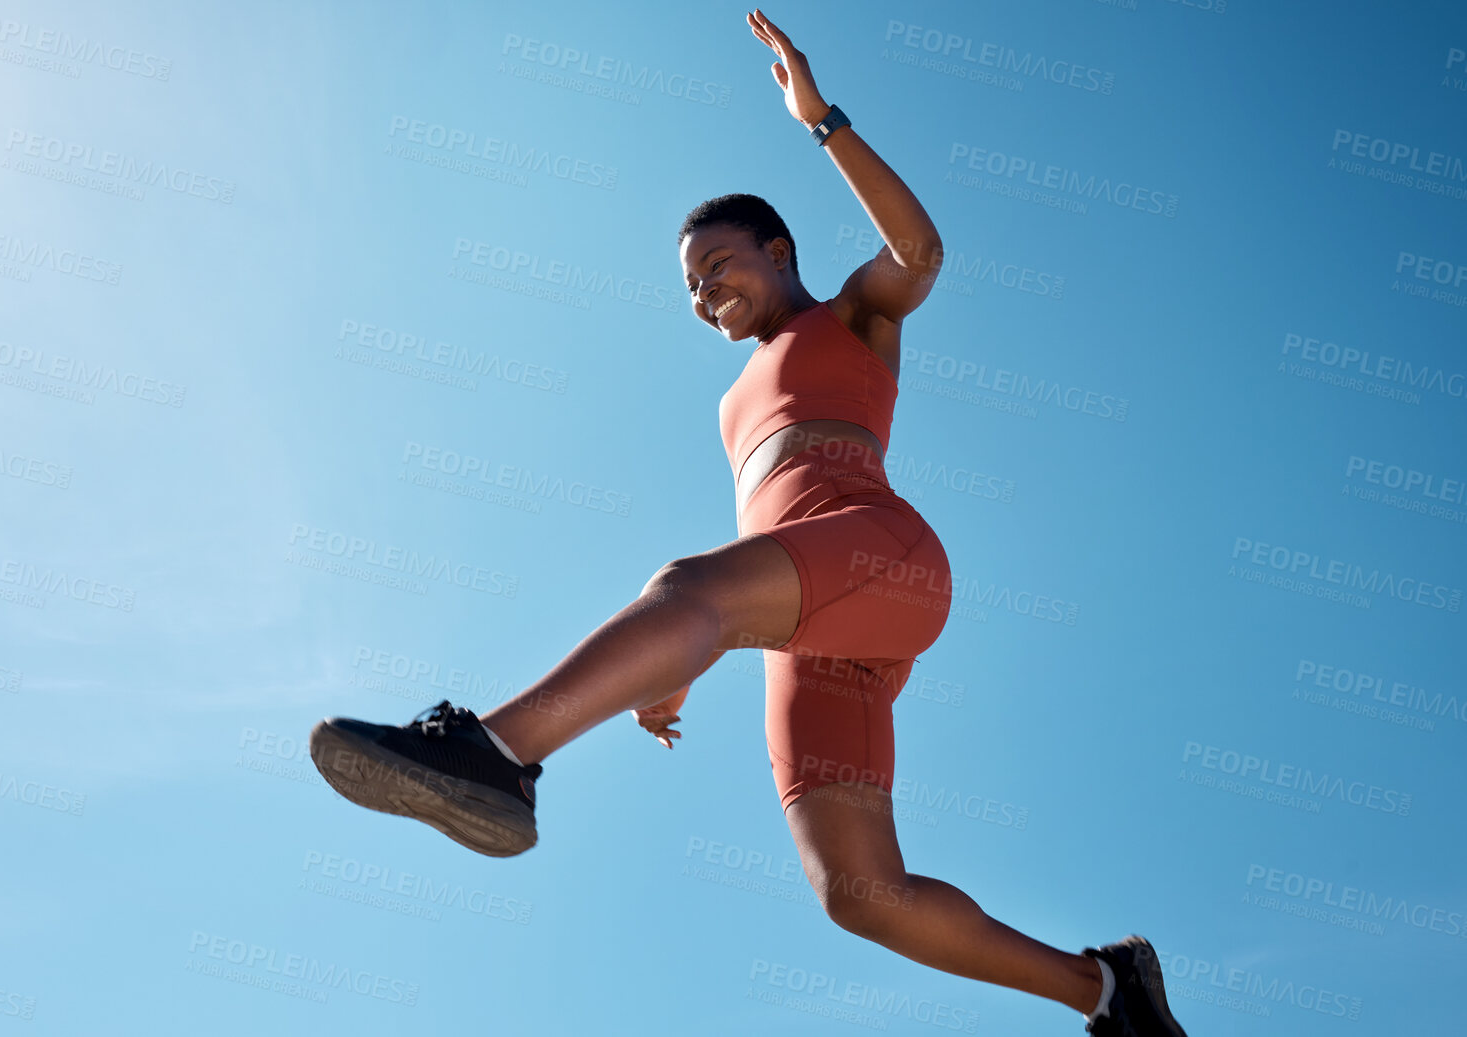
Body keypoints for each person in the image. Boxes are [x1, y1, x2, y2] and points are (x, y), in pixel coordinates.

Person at [308, 11, 1187, 1036]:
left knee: (685, 581)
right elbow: (752, 557)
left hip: (881, 557)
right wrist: (675, 658)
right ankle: (1109, 991)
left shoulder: (852, 316)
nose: (702, 292)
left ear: (778, 249)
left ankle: (494, 753)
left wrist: (822, 121)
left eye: (717, 265)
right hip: (809, 628)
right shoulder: (734, 398)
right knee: (856, 892)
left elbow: (922, 249)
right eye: (688, 286)